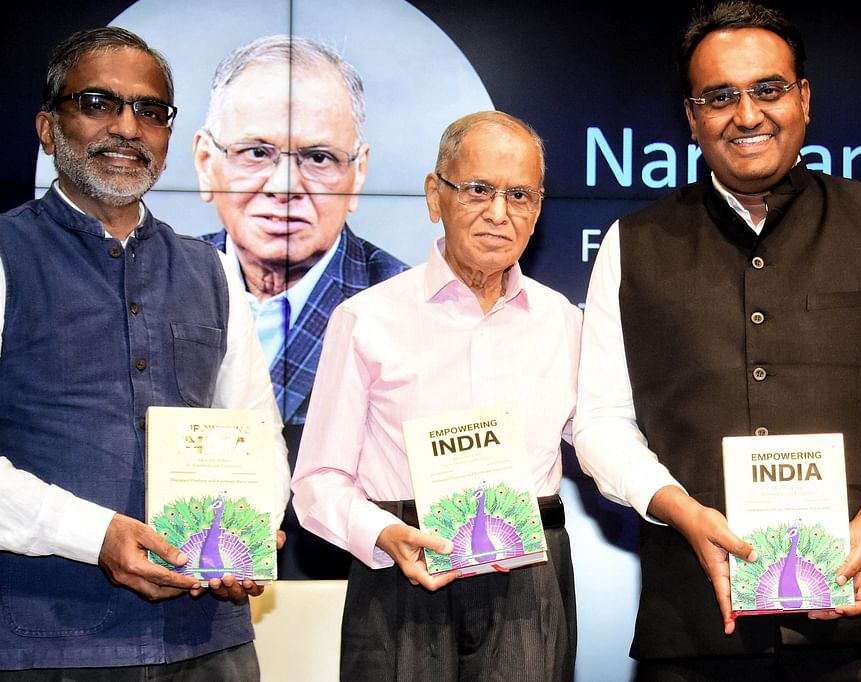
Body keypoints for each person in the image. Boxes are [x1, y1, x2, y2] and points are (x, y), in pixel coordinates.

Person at [574, 2, 861, 679]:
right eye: (720, 96)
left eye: (768, 89)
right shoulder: (632, 245)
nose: (748, 114)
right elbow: (601, 423)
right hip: (699, 619)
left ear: (804, 99)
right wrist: (680, 510)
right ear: (692, 116)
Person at [0, 27, 288, 677]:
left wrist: (247, 533)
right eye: (100, 103)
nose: (129, 128)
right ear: (48, 128)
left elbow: (256, 432)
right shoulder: (7, 256)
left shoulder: (214, 271)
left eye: (150, 111)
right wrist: (94, 535)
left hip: (210, 642)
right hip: (48, 643)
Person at [291, 111, 579, 681]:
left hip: (529, 582)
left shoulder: (563, 321)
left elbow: (602, 440)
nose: (499, 214)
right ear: (434, 195)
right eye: (478, 190)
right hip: (401, 571)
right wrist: (381, 535)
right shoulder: (365, 319)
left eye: (518, 195)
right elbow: (317, 480)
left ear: (538, 207)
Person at [193, 35, 406, 579]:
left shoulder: (404, 303)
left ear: (358, 175)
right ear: (204, 163)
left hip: (355, 599)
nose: (285, 186)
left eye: (318, 158)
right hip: (181, 601)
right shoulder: (157, 285)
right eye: (256, 152)